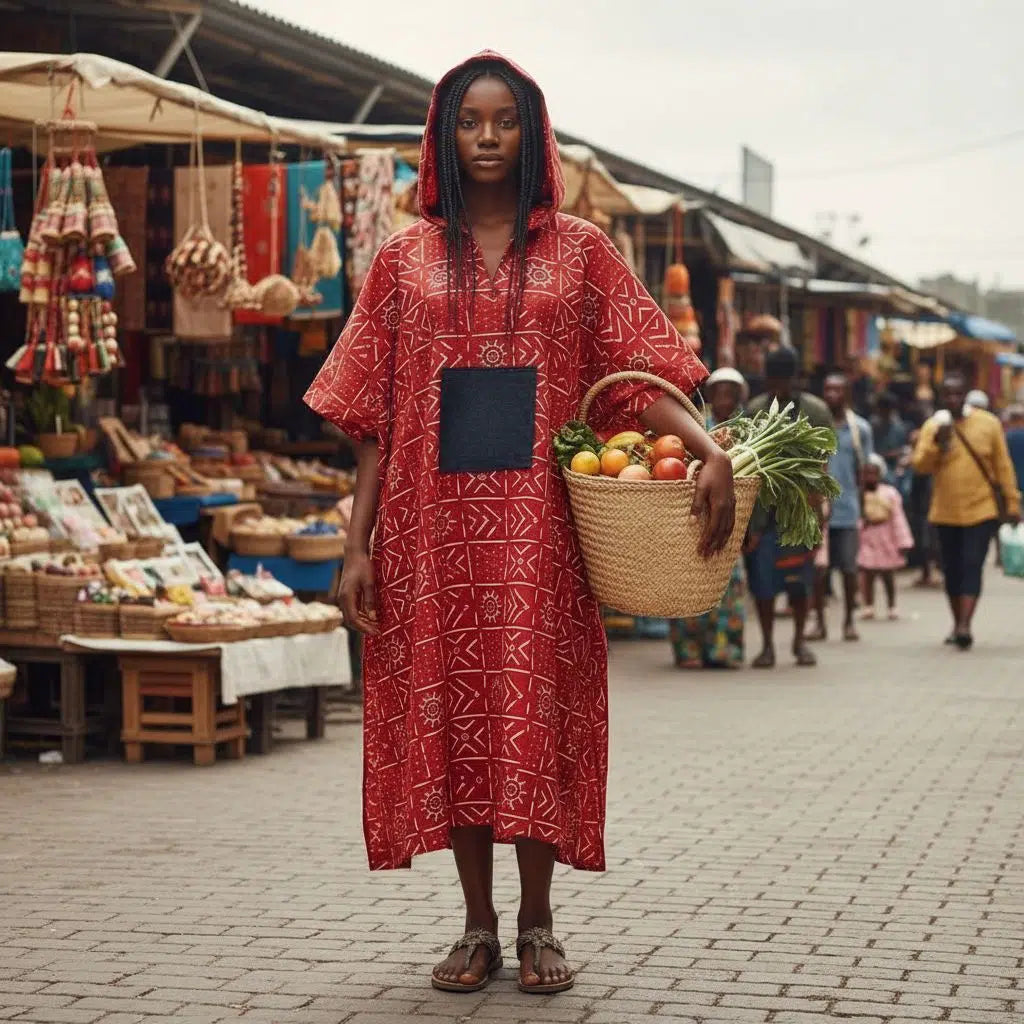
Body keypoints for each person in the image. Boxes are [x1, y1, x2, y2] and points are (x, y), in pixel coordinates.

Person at [304, 52, 735, 996]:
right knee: (455, 713)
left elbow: (633, 375)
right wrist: (355, 544)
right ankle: (477, 924)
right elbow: (373, 416)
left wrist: (709, 449)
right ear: (444, 136)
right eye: (471, 122)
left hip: (540, 533)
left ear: (531, 134)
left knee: (537, 709)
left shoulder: (580, 250)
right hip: (430, 529)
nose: (488, 138)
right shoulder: (400, 260)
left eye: (505, 122)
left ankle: (539, 923)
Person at [911, 373, 1020, 649]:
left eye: (958, 394)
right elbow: (920, 465)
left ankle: (965, 625)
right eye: (947, 395)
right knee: (952, 571)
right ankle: (957, 619)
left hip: (981, 511)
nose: (953, 400)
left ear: (966, 395)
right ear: (941, 398)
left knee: (972, 565)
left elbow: (1003, 466)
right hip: (945, 512)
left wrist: (1013, 503)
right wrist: (939, 442)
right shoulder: (932, 427)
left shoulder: (988, 424)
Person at [744, 347, 831, 668]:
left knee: (799, 584)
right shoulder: (754, 410)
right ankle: (767, 645)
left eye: (784, 380)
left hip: (800, 512)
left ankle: (798, 642)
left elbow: (822, 465)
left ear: (795, 379)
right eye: (773, 379)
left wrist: (819, 512)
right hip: (763, 515)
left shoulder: (816, 411)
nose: (778, 386)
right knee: (763, 586)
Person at [671, 367, 748, 669]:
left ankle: (724, 650)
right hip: (693, 513)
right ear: (711, 395)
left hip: (730, 515)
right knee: (687, 581)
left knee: (728, 585)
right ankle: (688, 649)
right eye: (720, 391)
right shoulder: (695, 423)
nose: (725, 398)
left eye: (732, 392)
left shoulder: (746, 429)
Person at [820, 371, 874, 642]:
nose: (832, 395)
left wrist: (865, 507)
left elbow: (864, 470)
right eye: (828, 390)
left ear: (847, 395)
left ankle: (849, 621)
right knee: (819, 570)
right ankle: (818, 622)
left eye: (837, 390)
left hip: (848, 509)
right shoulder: (816, 427)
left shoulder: (859, 429)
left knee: (849, 568)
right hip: (819, 510)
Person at [857, 454, 914, 620]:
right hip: (867, 537)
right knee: (867, 574)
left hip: (886, 537)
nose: (870, 477)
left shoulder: (890, 493)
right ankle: (868, 605)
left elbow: (898, 519)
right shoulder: (858, 495)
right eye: (866, 474)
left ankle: (891, 605)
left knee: (887, 574)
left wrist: (903, 542)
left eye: (873, 474)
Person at [871, 391, 909, 486]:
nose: (885, 412)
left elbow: (903, 450)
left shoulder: (899, 428)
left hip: (895, 468)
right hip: (876, 467)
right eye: (883, 409)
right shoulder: (872, 426)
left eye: (888, 409)